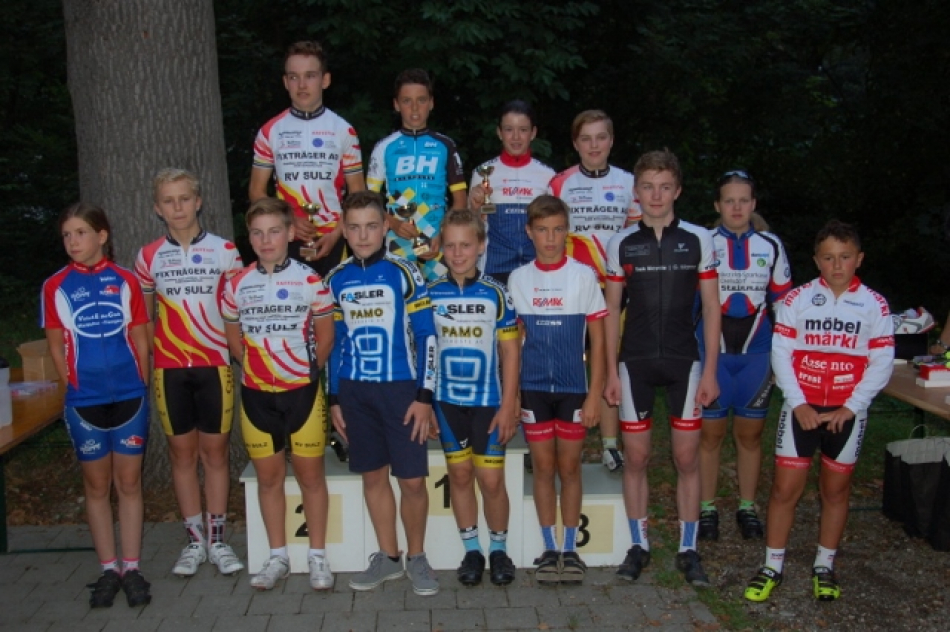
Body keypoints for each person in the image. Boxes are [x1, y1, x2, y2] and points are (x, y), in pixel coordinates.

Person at [744, 220, 894, 603]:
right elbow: (781, 354)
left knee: (836, 491)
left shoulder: (875, 304)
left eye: (845, 257)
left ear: (859, 259)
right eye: (828, 258)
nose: (836, 265)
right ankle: (771, 567)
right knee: (784, 490)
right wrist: (798, 403)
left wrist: (852, 407)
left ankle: (824, 566)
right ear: (816, 261)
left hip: (846, 412)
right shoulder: (796, 300)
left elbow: (882, 362)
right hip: (802, 410)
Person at [603, 149, 720, 586]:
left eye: (665, 187)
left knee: (686, 457)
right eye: (648, 187)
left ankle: (689, 549)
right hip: (634, 362)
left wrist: (711, 371)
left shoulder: (698, 239)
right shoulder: (621, 243)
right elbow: (611, 312)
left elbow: (712, 308)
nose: (656, 195)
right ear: (636, 191)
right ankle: (639, 545)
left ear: (678, 191)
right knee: (636, 457)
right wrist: (610, 372)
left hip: (683, 361)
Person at [325, 190, 441, 596]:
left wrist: (424, 397)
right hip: (355, 393)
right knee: (373, 476)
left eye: (371, 226)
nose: (363, 235)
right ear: (343, 230)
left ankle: (418, 556)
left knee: (412, 481)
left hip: (401, 392)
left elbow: (427, 337)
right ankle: (389, 557)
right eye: (354, 227)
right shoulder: (334, 280)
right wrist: (334, 399)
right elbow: (334, 345)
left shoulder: (405, 272)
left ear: (385, 228)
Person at [134, 168, 245, 577]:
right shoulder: (148, 256)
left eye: (184, 198)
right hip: (170, 369)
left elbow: (237, 312)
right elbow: (144, 319)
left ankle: (217, 540)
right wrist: (152, 360)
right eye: (169, 200)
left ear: (198, 202)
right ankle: (194, 542)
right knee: (181, 455)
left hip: (214, 364)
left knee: (215, 454)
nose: (178, 207)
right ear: (157, 208)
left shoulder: (225, 251)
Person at [221, 197, 335, 591]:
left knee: (311, 478)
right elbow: (234, 343)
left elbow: (326, 338)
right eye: (257, 233)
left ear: (289, 233)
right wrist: (260, 370)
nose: (266, 240)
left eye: (274, 231)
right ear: (249, 237)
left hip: (302, 393)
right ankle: (277, 557)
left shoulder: (311, 281)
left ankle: (317, 556)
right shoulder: (235, 285)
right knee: (268, 480)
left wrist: (303, 373)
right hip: (256, 395)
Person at [41, 203, 152, 608]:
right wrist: (73, 384)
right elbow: (56, 346)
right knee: (97, 485)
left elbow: (140, 337)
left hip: (129, 397)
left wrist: (139, 383)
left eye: (81, 233)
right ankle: (109, 568)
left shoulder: (125, 281)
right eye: (66, 235)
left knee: (129, 483)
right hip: (84, 401)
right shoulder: (55, 286)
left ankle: (132, 567)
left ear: (102, 236)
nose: (72, 242)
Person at [507, 194, 607, 585]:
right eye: (542, 230)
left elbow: (599, 342)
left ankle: (570, 549)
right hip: (532, 388)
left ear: (567, 231)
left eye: (558, 230)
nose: (550, 239)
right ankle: (549, 549)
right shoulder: (518, 279)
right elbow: (512, 344)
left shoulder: (583, 276)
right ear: (529, 232)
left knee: (569, 467)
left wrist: (594, 394)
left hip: (573, 389)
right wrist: (513, 395)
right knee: (544, 467)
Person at [697, 171, 792, 542]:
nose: (736, 208)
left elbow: (784, 304)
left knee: (750, 436)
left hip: (756, 354)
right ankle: (707, 508)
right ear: (717, 205)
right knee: (710, 435)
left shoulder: (771, 245)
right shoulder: (703, 242)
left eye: (743, 200)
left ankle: (747, 507)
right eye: (729, 201)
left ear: (753, 204)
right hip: (714, 354)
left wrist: (786, 357)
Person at [428, 209, 520, 586]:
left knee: (492, 480)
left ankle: (499, 550)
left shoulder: (496, 292)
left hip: (488, 402)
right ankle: (472, 551)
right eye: (450, 245)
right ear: (441, 248)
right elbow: (423, 352)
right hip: (446, 402)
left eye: (465, 245)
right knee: (460, 474)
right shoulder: (430, 293)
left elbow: (511, 352)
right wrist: (425, 403)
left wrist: (509, 405)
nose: (457, 253)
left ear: (481, 246)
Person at [548, 110, 641, 473]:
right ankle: (557, 441)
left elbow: (635, 238)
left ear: (611, 140)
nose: (594, 145)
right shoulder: (560, 183)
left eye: (601, 137)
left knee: (607, 364)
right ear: (575, 144)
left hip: (614, 289)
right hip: (571, 287)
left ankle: (609, 445)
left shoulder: (629, 183)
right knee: (566, 364)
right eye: (586, 139)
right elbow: (548, 233)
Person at [249, 40, 365, 277]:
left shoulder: (344, 130)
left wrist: (337, 233)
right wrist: (288, 217)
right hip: (286, 235)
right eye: (294, 77)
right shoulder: (270, 131)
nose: (301, 85)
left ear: (325, 80)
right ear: (285, 82)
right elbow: (256, 191)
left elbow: (358, 194)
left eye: (310, 76)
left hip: (335, 236)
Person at [367, 68, 467, 281]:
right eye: (407, 101)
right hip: (397, 239)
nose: (414, 108)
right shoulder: (384, 147)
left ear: (431, 103)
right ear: (396, 104)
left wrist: (445, 233)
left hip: (437, 239)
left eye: (421, 100)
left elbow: (460, 200)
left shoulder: (445, 145)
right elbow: (368, 202)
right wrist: (393, 223)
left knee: (440, 299)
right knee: (399, 298)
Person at [467, 100, 555, 287]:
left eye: (523, 130)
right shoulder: (481, 173)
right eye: (509, 129)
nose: (516, 137)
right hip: (494, 267)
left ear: (533, 133)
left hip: (537, 266)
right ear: (499, 132)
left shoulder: (548, 176)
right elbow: (472, 227)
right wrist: (475, 209)